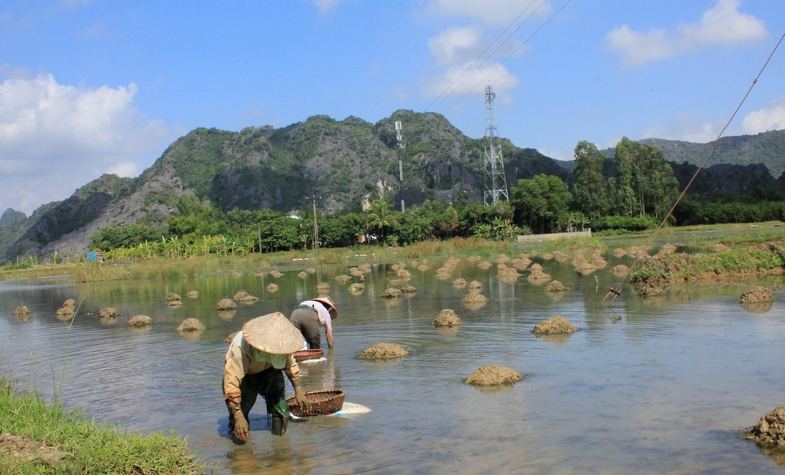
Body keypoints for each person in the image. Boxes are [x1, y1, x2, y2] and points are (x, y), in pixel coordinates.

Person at [223, 312, 310, 442]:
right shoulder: (241, 347)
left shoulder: (283, 343)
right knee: (240, 420)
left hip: (271, 373)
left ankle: (280, 448)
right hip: (246, 378)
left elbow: (290, 363)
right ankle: (240, 453)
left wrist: (298, 389)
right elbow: (231, 383)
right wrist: (237, 414)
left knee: (281, 411)